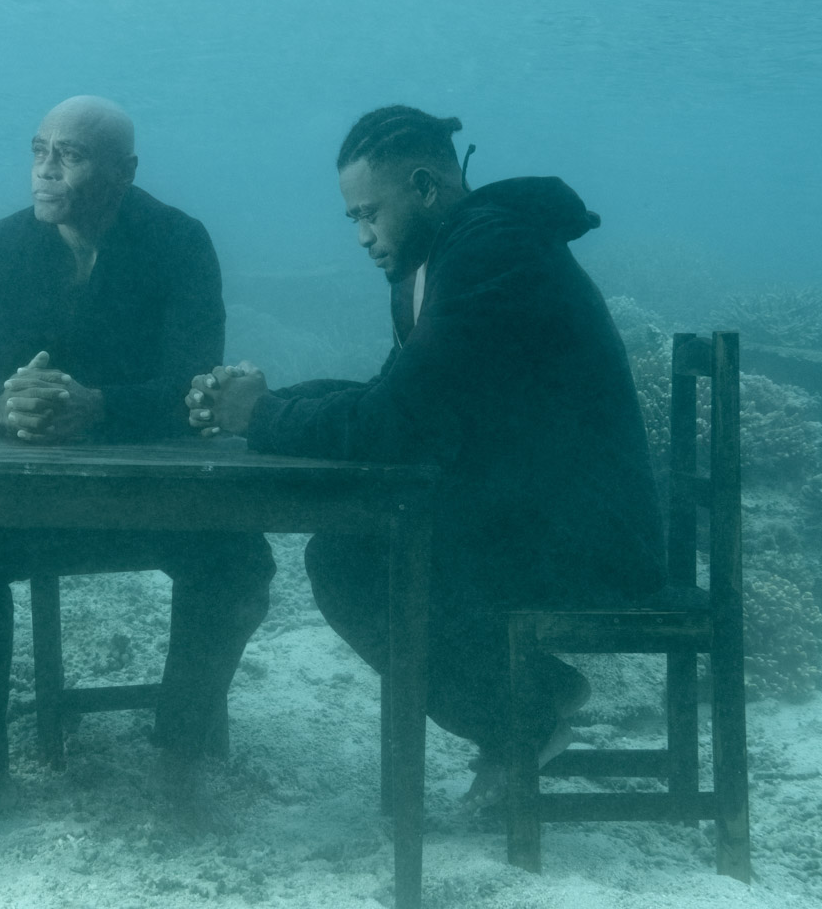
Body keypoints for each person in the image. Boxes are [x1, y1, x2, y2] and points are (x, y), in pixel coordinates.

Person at [187, 105, 665, 806]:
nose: (361, 235)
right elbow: (399, 396)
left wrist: (260, 414)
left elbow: (396, 423)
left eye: (368, 213)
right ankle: (535, 700)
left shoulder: (490, 252)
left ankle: (523, 719)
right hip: (540, 513)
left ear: (424, 185)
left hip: (586, 546)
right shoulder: (450, 254)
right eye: (353, 218)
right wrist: (267, 401)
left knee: (347, 559)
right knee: (354, 550)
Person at [0, 96, 275, 845]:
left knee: (238, 560)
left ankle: (179, 755)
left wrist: (99, 406)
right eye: (38, 149)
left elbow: (197, 381)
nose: (46, 168)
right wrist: (2, 407)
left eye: (70, 154)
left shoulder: (180, 241)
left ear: (125, 171)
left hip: (159, 499)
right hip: (37, 504)